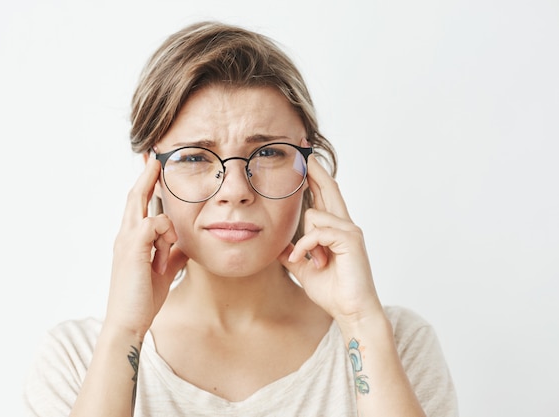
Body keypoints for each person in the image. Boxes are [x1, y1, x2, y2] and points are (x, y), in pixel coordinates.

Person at [24, 21, 458, 417]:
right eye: (194, 156)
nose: (234, 190)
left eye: (267, 153)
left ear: (308, 166)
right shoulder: (77, 358)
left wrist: (361, 321)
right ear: (152, 174)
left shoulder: (396, 342)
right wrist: (125, 330)